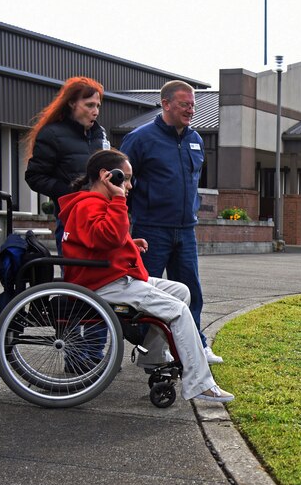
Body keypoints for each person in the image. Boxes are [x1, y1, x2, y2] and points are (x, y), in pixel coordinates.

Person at [58, 149, 234, 403]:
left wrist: (129, 243)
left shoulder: (92, 204)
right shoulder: (90, 204)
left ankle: (153, 358)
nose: (129, 186)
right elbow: (108, 237)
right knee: (178, 311)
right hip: (107, 283)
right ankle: (200, 384)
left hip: (109, 277)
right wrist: (119, 201)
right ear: (107, 176)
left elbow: (100, 241)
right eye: (125, 179)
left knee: (181, 291)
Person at [120, 80, 222, 364]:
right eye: (184, 104)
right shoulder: (140, 139)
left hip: (185, 230)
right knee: (147, 294)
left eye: (192, 105)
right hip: (151, 229)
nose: (190, 110)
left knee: (191, 290)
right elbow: (120, 184)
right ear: (166, 104)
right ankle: (148, 349)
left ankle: (196, 347)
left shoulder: (196, 139)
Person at [24, 76, 111, 254]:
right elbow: (35, 177)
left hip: (102, 218)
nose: (95, 111)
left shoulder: (99, 135)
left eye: (98, 106)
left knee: (102, 278)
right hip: (71, 220)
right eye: (89, 105)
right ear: (72, 103)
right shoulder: (51, 134)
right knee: (75, 278)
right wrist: (71, 192)